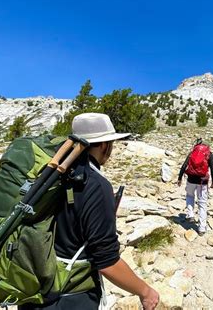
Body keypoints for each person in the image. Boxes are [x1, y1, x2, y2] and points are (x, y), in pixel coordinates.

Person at [21, 113, 159, 310]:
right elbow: (107, 261)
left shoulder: (53, 173)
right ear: (104, 145)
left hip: (34, 286)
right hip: (70, 295)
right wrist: (146, 292)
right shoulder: (96, 185)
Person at [177, 138, 213, 236]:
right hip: (203, 181)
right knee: (202, 203)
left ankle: (190, 214)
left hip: (191, 179)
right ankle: (201, 228)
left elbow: (184, 166)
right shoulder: (209, 154)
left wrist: (180, 178)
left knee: (190, 195)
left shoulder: (192, 153)